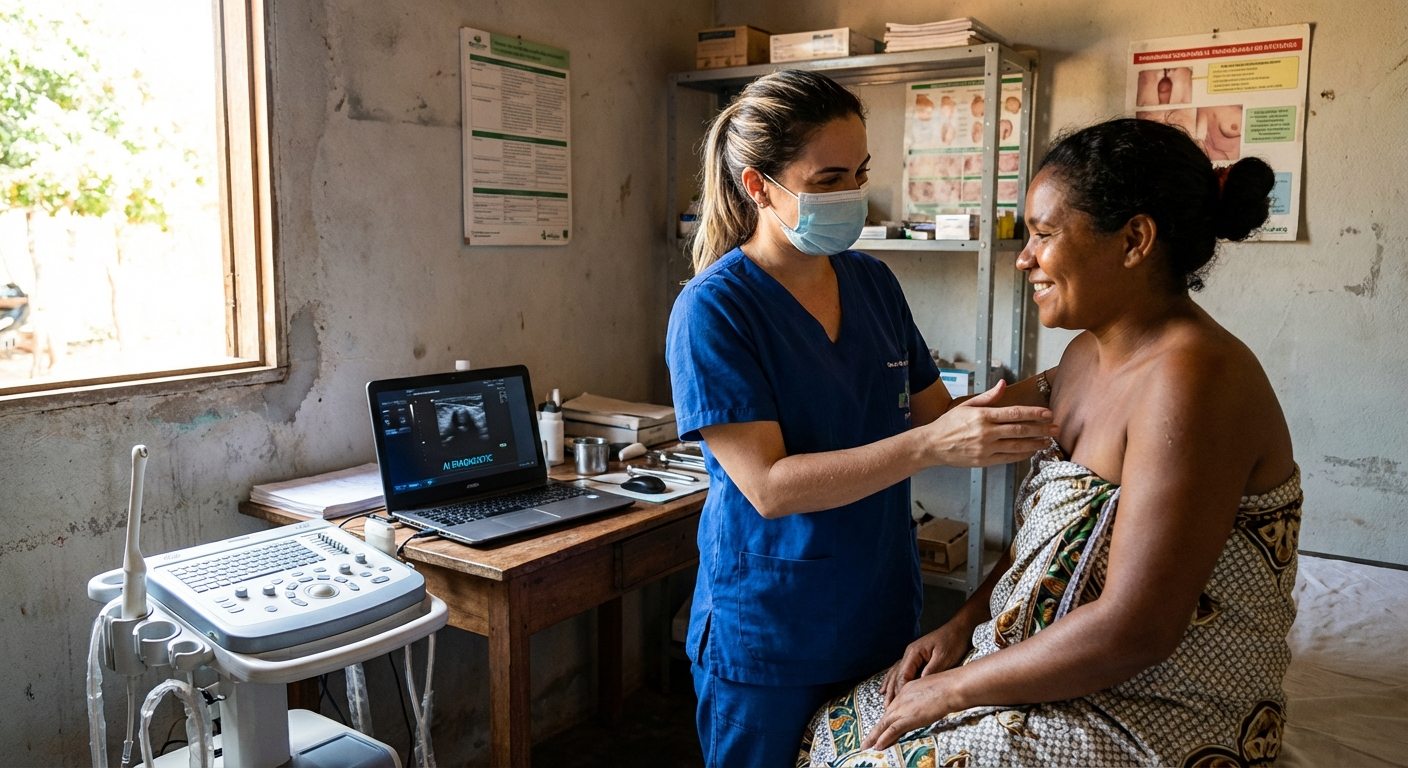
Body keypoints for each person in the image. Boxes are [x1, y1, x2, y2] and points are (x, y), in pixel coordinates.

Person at [800, 117, 1301, 767]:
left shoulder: (1196, 379)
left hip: (1158, 700)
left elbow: (1137, 629)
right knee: (839, 727)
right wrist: (963, 626)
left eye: (1043, 235)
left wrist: (952, 692)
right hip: (1056, 663)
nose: (1025, 259)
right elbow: (1045, 549)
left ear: (1134, 240)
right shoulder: (1082, 359)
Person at [664, 69, 1058, 768]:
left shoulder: (871, 283)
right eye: (829, 179)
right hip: (772, 630)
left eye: (861, 173)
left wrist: (1069, 381)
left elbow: (942, 416)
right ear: (759, 187)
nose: (852, 195)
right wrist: (929, 447)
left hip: (876, 610)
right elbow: (770, 486)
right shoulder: (714, 310)